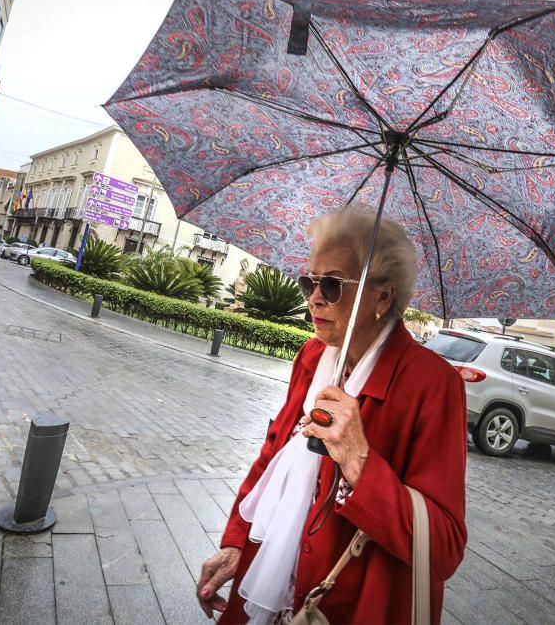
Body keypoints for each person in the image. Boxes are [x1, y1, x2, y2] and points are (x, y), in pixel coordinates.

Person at [197, 208, 468, 624]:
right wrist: (236, 541)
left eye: (332, 284)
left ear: (382, 296)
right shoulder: (312, 357)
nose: (314, 297)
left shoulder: (432, 384)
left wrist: (359, 460)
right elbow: (274, 454)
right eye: (309, 281)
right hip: (272, 576)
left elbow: (444, 548)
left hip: (353, 604)